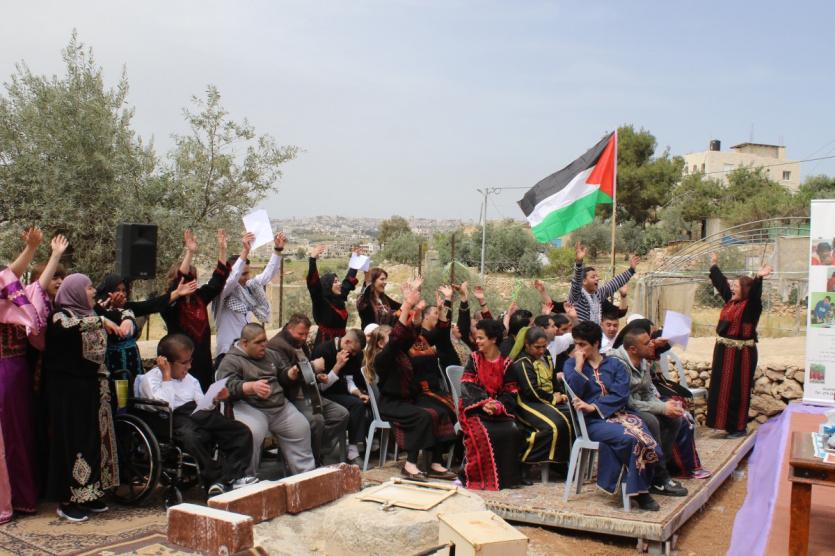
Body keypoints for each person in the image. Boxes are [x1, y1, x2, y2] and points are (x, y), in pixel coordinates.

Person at [44, 273, 125, 522]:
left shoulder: (90, 314)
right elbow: (66, 329)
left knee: (94, 441)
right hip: (69, 394)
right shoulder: (61, 316)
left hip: (94, 390)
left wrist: (116, 317)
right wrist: (99, 320)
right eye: (89, 287)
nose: (93, 291)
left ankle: (90, 493)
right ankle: (68, 500)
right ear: (76, 291)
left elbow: (122, 315)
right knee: (73, 441)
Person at [140, 333, 258, 495]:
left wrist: (215, 398)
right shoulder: (150, 380)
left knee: (240, 431)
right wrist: (167, 376)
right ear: (166, 362)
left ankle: (231, 477)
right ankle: (215, 479)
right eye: (184, 363)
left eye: (190, 361)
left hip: (197, 414)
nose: (189, 366)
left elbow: (202, 404)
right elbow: (166, 406)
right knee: (193, 437)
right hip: (172, 420)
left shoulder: (190, 379)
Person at [0, 229, 64, 524]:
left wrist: (43, 252)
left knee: (14, 435)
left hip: (10, 372)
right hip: (12, 371)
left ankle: (19, 497)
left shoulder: (15, 299)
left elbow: (30, 283)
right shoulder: (14, 300)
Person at [563, 321, 662, 511]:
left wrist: (594, 406)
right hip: (592, 423)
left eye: (582, 344)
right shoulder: (571, 365)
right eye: (576, 344)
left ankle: (634, 483)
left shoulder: (614, 364)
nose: (578, 349)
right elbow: (574, 392)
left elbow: (621, 394)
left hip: (620, 415)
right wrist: (579, 366)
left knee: (646, 439)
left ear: (595, 344)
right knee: (629, 439)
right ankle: (641, 493)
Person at [373, 279, 457, 481]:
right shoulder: (383, 358)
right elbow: (398, 337)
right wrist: (407, 304)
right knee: (424, 416)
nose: (396, 338)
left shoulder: (402, 351)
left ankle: (435, 462)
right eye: (390, 336)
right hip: (392, 404)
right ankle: (409, 465)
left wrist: (417, 309)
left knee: (440, 412)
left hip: (408, 400)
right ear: (381, 343)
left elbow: (411, 333)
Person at [217, 323, 316, 476]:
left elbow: (282, 374)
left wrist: (290, 374)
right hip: (250, 407)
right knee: (251, 433)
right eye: (258, 342)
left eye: (264, 340)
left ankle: (305, 476)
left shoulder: (270, 354)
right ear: (244, 343)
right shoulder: (231, 360)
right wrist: (250, 387)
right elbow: (225, 386)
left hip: (278, 406)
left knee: (301, 427)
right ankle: (246, 478)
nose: (263, 345)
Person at [608, 328, 688, 497]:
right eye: (647, 343)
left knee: (674, 418)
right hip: (617, 410)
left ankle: (658, 471)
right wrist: (662, 408)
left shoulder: (642, 360)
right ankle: (659, 477)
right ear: (633, 349)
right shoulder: (617, 364)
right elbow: (627, 401)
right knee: (651, 420)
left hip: (637, 405)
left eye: (650, 340)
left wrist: (665, 406)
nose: (652, 344)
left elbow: (648, 392)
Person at [161, 229, 244, 391]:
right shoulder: (169, 305)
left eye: (193, 278)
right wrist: (190, 252)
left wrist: (222, 249)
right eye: (187, 279)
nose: (191, 282)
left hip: (203, 362)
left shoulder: (199, 297)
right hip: (180, 365)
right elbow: (179, 280)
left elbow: (218, 280)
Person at [267, 314, 349, 465]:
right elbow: (286, 377)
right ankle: (313, 461)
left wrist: (317, 376)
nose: (304, 337)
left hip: (310, 392)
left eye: (306, 334)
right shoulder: (277, 346)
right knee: (317, 420)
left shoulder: (300, 342)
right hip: (292, 396)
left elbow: (306, 369)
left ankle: (315, 451)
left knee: (341, 414)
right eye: (301, 334)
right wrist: (314, 367)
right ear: (290, 328)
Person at [706, 253, 772, 438]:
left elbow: (756, 294)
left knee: (738, 390)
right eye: (732, 285)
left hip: (742, 355)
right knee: (721, 389)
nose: (732, 287)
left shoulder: (751, 306)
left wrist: (758, 278)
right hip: (723, 352)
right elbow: (721, 283)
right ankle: (723, 425)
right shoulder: (731, 300)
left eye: (735, 286)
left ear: (745, 290)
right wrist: (714, 265)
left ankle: (739, 428)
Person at [459, 319, 524, 490]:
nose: (477, 341)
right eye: (477, 338)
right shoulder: (474, 359)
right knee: (482, 433)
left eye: (481, 338)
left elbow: (511, 392)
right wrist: (484, 403)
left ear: (493, 339)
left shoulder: (507, 364)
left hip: (498, 409)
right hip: (474, 407)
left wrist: (497, 405)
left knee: (512, 431)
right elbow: (467, 384)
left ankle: (506, 479)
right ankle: (478, 478)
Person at [95, 274, 197, 378]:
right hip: (113, 363)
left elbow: (152, 305)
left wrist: (177, 293)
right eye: (117, 290)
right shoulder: (98, 311)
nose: (121, 293)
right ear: (108, 291)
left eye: (124, 290)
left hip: (133, 361)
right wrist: (117, 310)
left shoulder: (128, 308)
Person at [213, 231, 284, 364]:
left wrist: (277, 250)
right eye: (243, 274)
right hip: (228, 353)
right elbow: (232, 279)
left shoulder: (249, 288)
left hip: (246, 352)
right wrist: (245, 251)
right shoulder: (223, 293)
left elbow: (267, 274)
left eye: (248, 273)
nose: (247, 277)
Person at [509, 326, 573, 468]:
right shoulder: (522, 362)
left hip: (546, 400)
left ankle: (564, 463)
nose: (541, 351)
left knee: (573, 416)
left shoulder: (547, 356)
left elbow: (553, 379)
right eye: (537, 347)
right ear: (527, 345)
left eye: (544, 346)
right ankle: (524, 459)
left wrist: (561, 394)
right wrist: (553, 398)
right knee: (556, 425)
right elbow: (531, 391)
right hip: (527, 403)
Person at [312, 329, 369, 463]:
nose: (353, 354)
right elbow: (320, 387)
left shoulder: (354, 355)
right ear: (347, 341)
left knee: (360, 403)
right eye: (353, 351)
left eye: (356, 352)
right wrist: (337, 366)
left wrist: (359, 393)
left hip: (342, 393)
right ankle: (332, 450)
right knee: (355, 406)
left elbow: (349, 380)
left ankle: (355, 449)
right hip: (324, 394)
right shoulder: (323, 350)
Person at [568, 241, 639, 324]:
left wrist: (631, 270)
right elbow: (576, 282)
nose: (597, 279)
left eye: (597, 276)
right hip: (580, 332)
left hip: (595, 331)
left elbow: (613, 284)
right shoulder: (577, 295)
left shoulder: (598, 294)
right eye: (593, 277)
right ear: (583, 281)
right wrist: (579, 262)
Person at [307, 245, 360, 346]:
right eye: (335, 282)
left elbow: (348, 282)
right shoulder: (321, 301)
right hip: (325, 343)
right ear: (327, 285)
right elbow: (313, 285)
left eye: (338, 281)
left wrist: (355, 259)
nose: (339, 284)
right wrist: (312, 259)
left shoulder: (339, 297)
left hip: (342, 342)